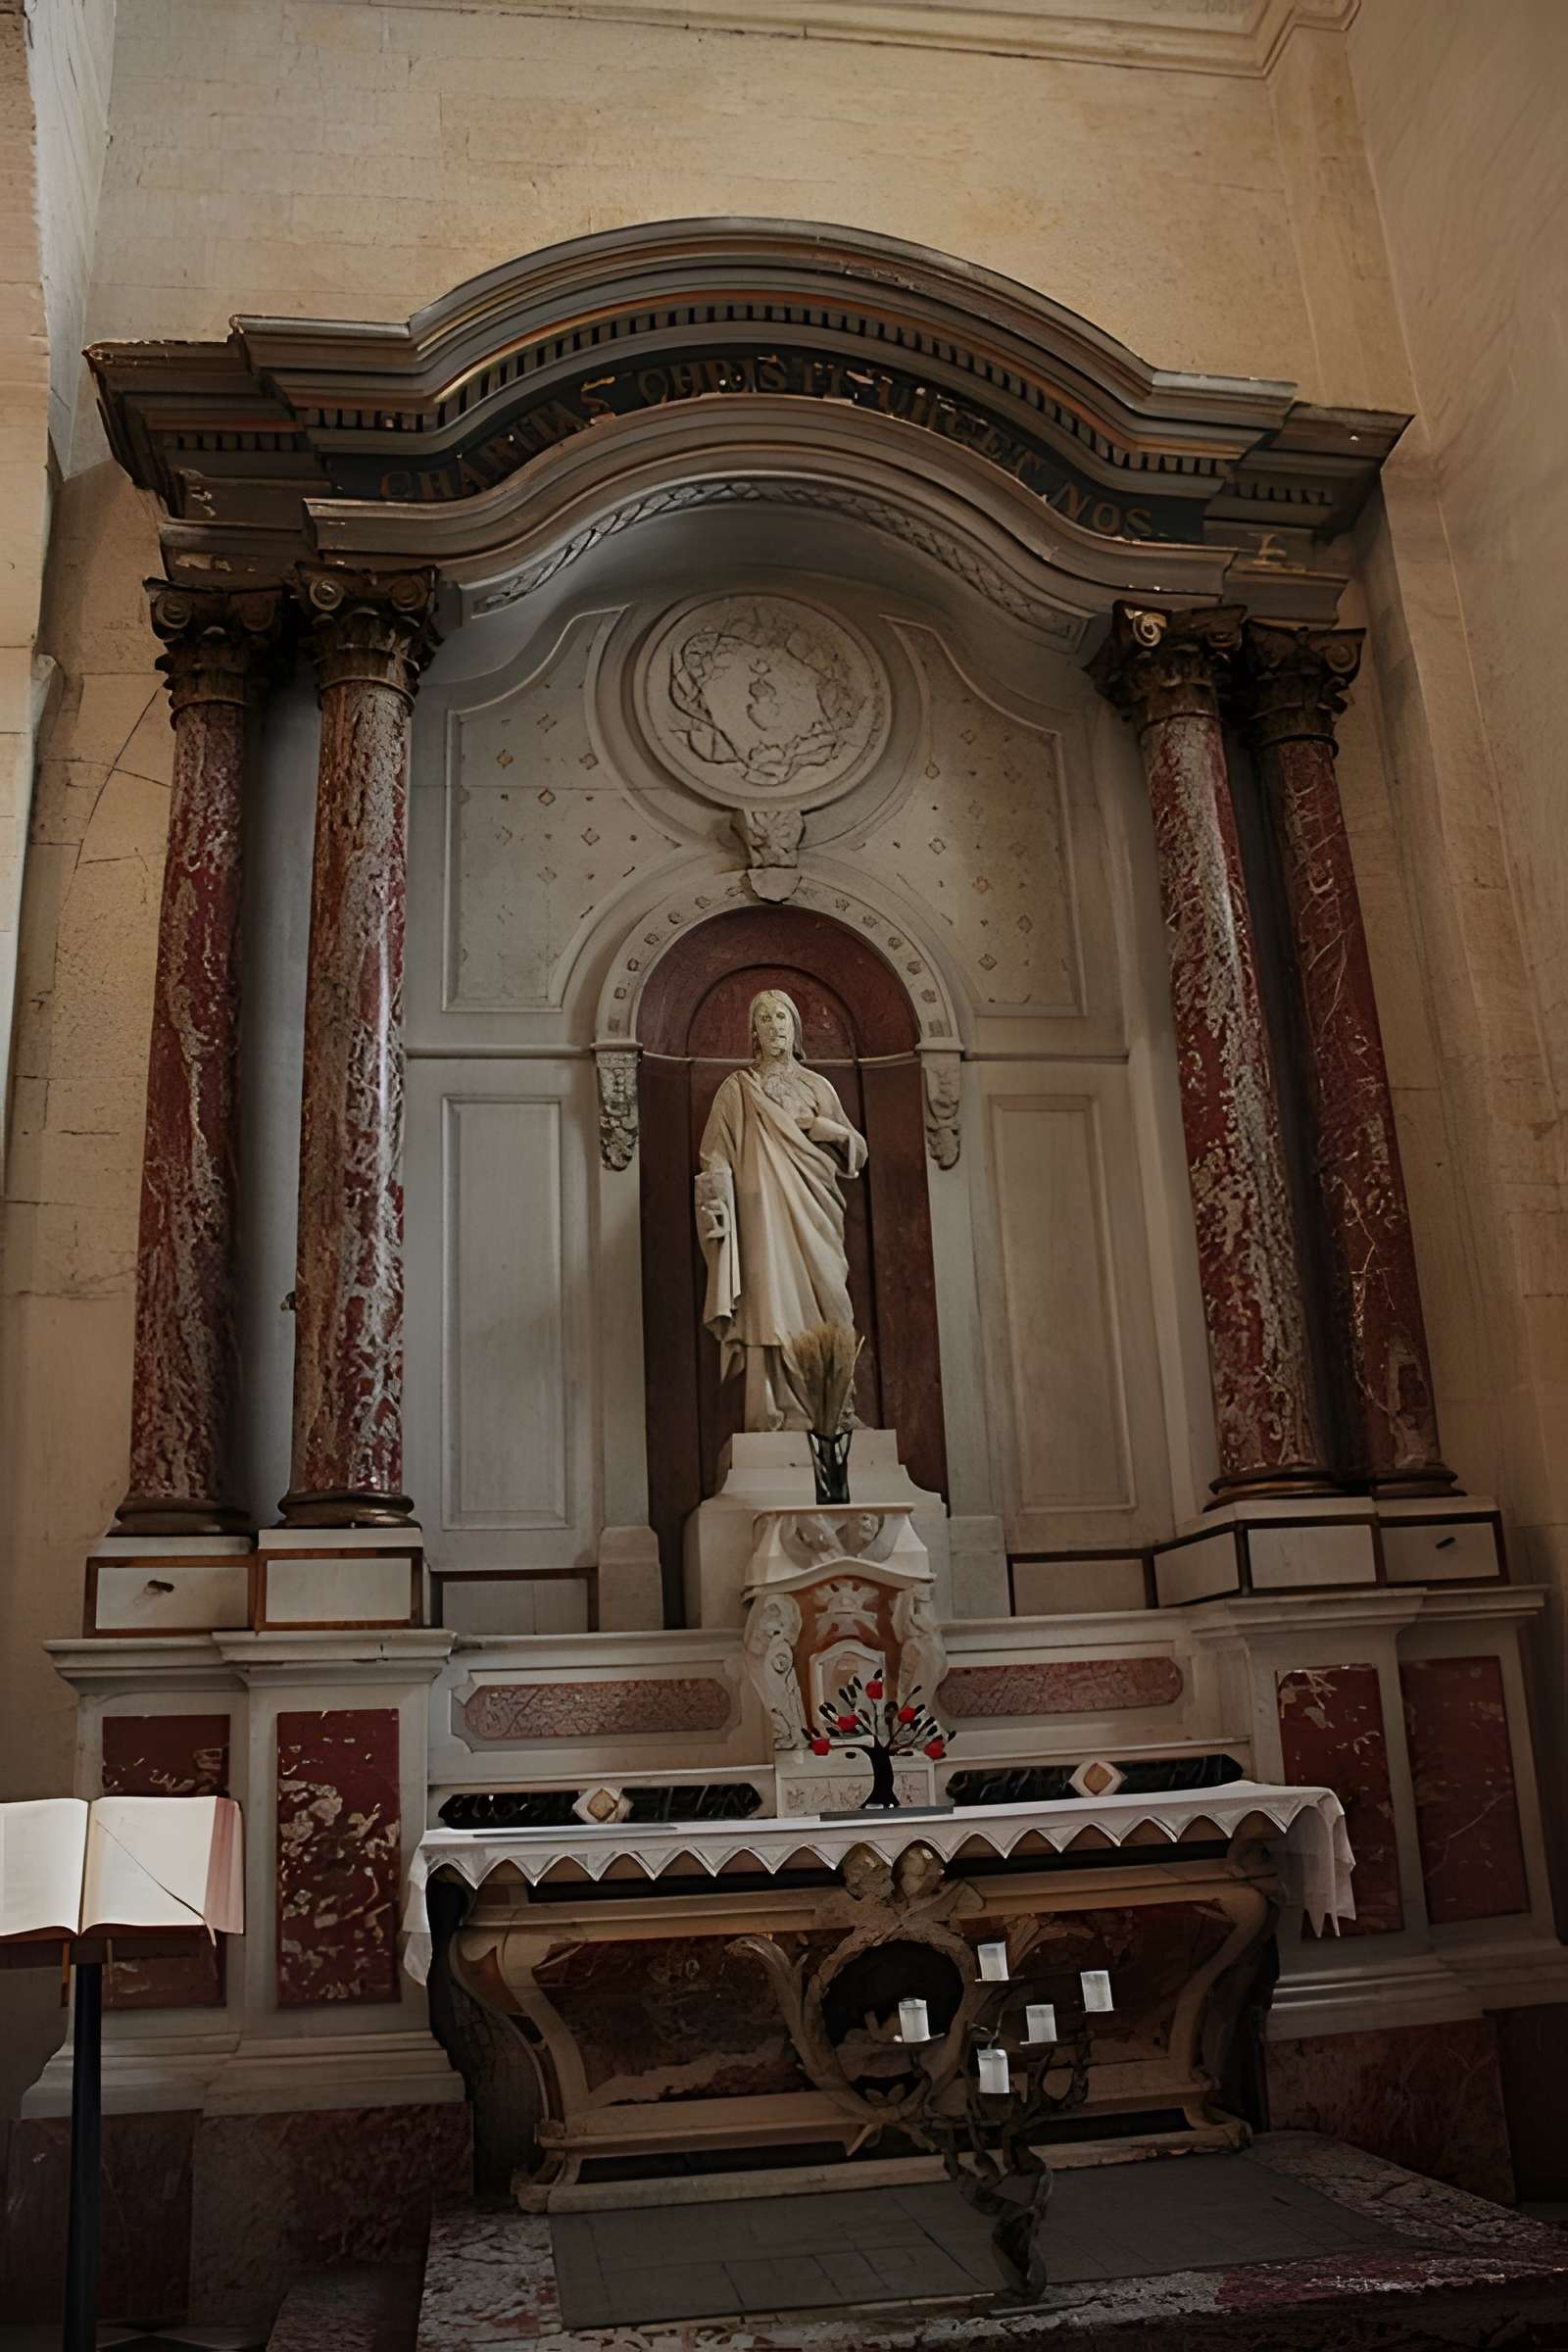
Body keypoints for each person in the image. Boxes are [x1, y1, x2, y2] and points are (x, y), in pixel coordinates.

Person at [695, 987, 867, 1430]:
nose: (775, 1026)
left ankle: (837, 1409)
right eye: (766, 1018)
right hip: (761, 1216)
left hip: (816, 1211)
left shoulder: (817, 1086)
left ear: (795, 1026)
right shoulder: (738, 1089)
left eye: (782, 1017)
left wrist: (831, 1132)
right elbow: (715, 1154)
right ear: (754, 1031)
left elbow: (856, 1150)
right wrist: (714, 1206)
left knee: (833, 1298)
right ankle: (776, 1412)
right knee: (770, 1301)